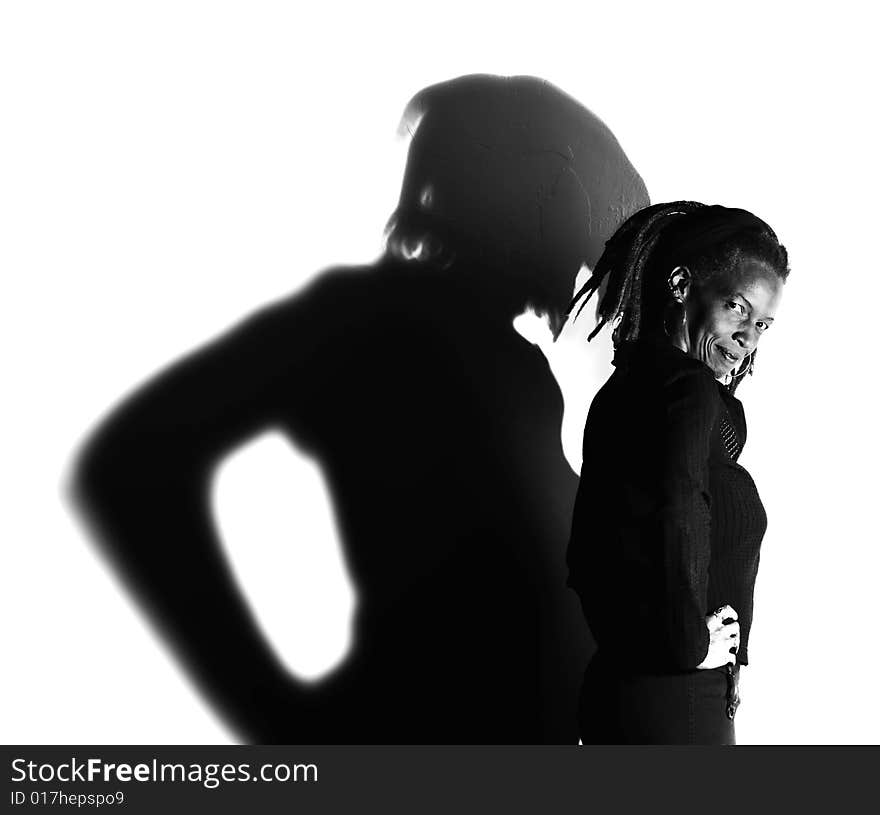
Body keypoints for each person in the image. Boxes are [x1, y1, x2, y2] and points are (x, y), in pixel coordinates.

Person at [69, 74, 648, 743]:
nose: (591, 275)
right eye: (596, 233)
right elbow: (133, 461)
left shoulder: (510, 366)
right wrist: (271, 710)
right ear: (548, 198)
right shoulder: (374, 322)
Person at [564, 201, 789, 744]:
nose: (748, 338)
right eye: (737, 308)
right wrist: (689, 646)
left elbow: (587, 553)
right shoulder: (686, 391)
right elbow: (678, 511)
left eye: (762, 323)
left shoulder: (624, 393)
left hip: (628, 691)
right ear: (682, 284)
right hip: (678, 700)